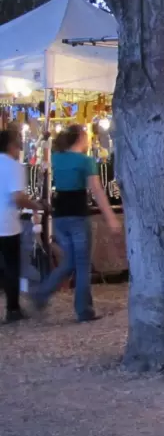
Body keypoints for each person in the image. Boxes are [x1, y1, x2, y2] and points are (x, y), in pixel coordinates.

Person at [32, 125, 120, 322]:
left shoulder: (56, 157)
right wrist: (111, 217)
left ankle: (42, 293)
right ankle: (84, 310)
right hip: (78, 214)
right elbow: (97, 191)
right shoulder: (86, 161)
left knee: (70, 261)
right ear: (81, 137)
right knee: (82, 264)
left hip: (60, 215)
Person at [0, 129, 43, 323]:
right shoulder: (14, 167)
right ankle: (13, 308)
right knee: (11, 267)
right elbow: (18, 197)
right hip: (6, 224)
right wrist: (36, 205)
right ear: (11, 145)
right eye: (18, 144)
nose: (20, 148)